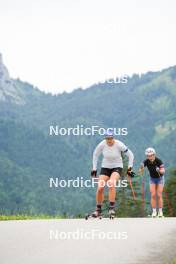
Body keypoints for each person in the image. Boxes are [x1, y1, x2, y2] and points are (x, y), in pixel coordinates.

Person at [91, 129, 134, 217]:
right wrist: (94, 169)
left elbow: (131, 155)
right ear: (105, 139)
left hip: (117, 167)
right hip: (105, 167)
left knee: (111, 183)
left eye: (110, 139)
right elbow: (95, 154)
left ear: (113, 138)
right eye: (107, 139)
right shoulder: (102, 144)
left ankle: (111, 208)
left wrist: (129, 169)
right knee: (100, 187)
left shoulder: (119, 144)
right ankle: (98, 210)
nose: (109, 141)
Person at [139, 148, 165, 217]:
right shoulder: (146, 161)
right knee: (153, 195)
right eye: (148, 155)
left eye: (151, 155)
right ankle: (154, 211)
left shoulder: (158, 161)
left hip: (160, 178)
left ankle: (160, 211)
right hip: (152, 179)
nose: (150, 157)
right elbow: (141, 168)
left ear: (154, 154)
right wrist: (141, 168)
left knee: (159, 195)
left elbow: (163, 171)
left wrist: (159, 170)